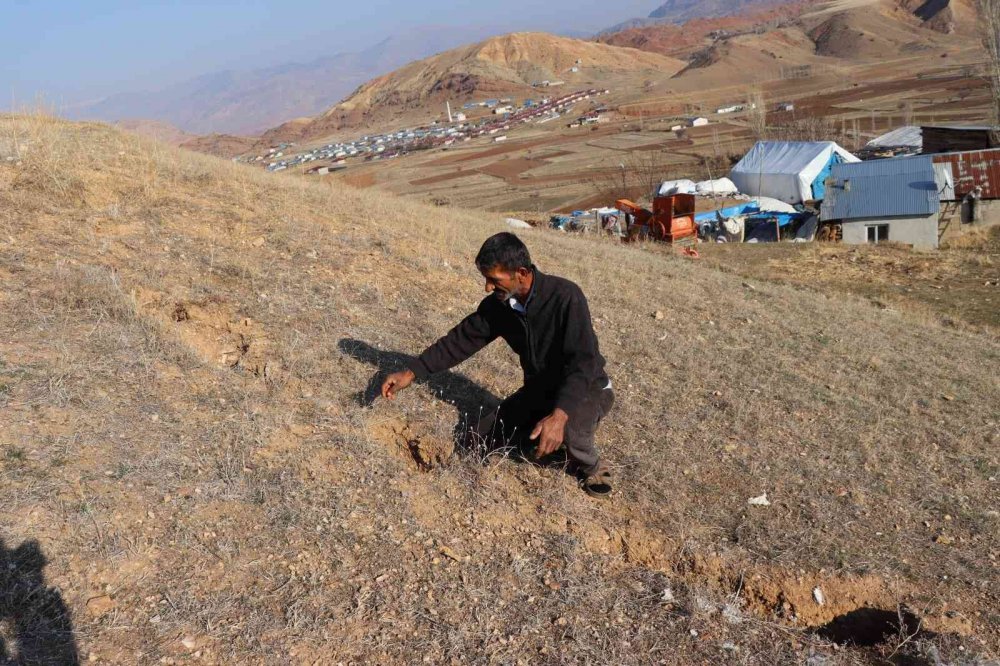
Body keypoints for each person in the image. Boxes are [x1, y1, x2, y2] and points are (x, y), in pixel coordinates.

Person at [381, 232, 615, 497]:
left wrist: (559, 415)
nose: (488, 287)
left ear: (522, 272)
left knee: (570, 428)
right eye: (486, 279)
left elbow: (583, 364)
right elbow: (460, 340)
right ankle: (543, 428)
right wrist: (412, 372)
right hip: (540, 390)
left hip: (588, 388)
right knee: (477, 439)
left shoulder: (565, 296)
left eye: (494, 279)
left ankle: (591, 466)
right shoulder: (499, 307)